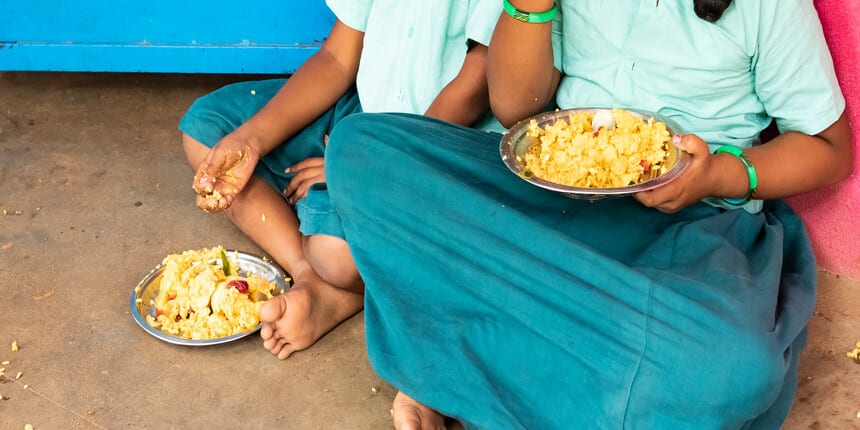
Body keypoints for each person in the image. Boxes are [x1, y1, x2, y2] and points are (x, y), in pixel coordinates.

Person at [322, 0, 853, 428]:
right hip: (551, 202)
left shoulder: (769, 7)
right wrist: (530, 7)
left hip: (692, 231)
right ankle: (571, 359)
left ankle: (454, 358)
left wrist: (720, 176)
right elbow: (515, 109)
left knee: (732, 368)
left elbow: (830, 147)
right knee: (361, 150)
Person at [179, 0, 504, 360]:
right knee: (209, 139)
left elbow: (475, 88)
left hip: (437, 142)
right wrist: (251, 141)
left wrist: (364, 165)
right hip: (362, 113)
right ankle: (308, 276)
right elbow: (337, 58)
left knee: (336, 257)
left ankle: (338, 287)